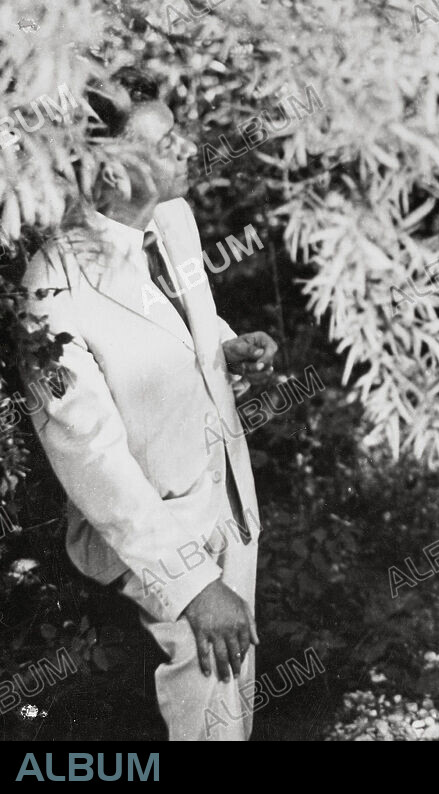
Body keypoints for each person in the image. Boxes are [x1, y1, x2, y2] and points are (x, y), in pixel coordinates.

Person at [19, 67, 278, 740]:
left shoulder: (174, 220)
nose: (189, 150)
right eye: (166, 144)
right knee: (205, 712)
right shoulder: (53, 290)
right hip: (156, 539)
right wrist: (191, 584)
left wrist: (224, 347)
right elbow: (94, 461)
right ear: (109, 173)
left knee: (232, 706)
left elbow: (178, 320)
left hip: (226, 499)